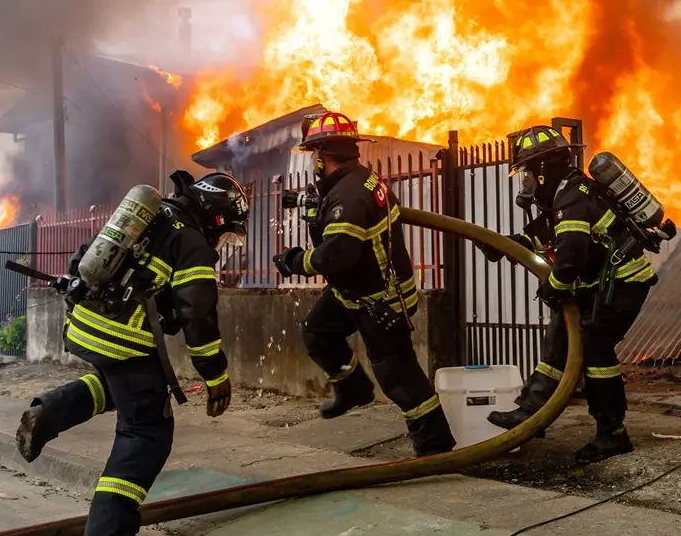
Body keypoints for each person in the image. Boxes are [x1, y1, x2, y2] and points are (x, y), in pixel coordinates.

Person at [14, 171, 249, 536]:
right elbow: (198, 316)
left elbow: (86, 255)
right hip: (123, 338)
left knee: (122, 385)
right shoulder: (191, 242)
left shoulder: (150, 217)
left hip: (85, 325)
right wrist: (215, 375)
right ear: (214, 216)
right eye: (225, 232)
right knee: (147, 431)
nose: (221, 241)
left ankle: (50, 412)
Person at [272, 111, 456, 457]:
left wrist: (294, 261)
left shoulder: (349, 195)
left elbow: (336, 256)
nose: (314, 162)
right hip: (351, 291)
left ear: (323, 155)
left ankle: (436, 450)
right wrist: (317, 208)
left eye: (314, 156)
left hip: (381, 299)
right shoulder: (360, 182)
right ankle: (353, 388)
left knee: (398, 376)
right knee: (317, 331)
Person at [481, 125, 657, 465]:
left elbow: (571, 255)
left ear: (543, 170)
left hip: (623, 284)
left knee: (595, 350)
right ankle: (532, 413)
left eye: (527, 173)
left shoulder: (572, 195)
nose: (525, 182)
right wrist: (503, 246)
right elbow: (547, 240)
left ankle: (612, 434)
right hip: (600, 286)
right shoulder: (562, 195)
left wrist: (554, 288)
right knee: (559, 334)